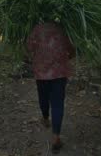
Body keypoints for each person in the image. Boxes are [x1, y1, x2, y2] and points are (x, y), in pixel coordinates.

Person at [26, 21, 75, 154]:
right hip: (59, 73)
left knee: (43, 98)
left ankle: (46, 118)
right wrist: (67, 56)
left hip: (41, 73)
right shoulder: (62, 28)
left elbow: (29, 47)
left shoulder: (37, 29)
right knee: (57, 104)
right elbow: (71, 50)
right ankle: (56, 137)